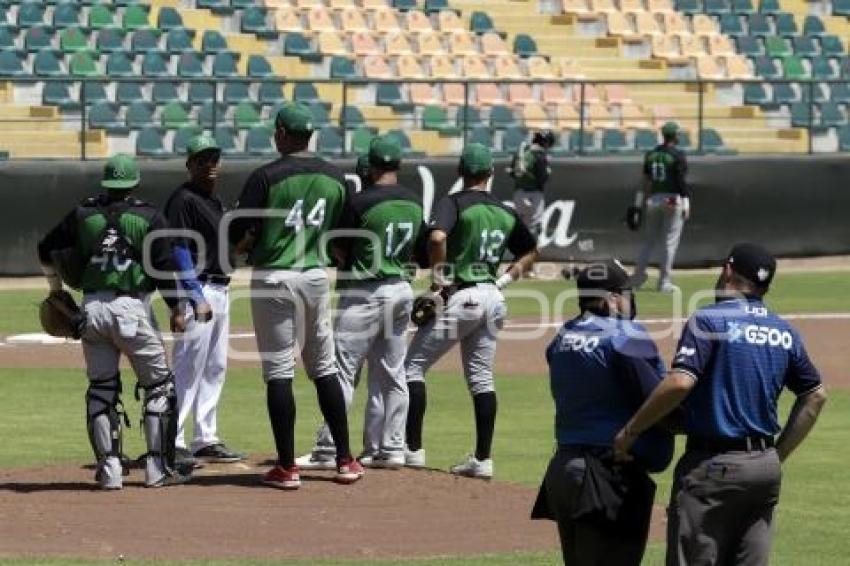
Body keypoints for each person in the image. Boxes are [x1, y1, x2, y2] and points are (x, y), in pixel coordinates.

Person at [614, 243, 827, 566]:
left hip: (712, 467)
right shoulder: (785, 331)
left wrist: (631, 430)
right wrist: (775, 455)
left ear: (728, 270)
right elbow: (815, 396)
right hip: (763, 469)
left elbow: (680, 382)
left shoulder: (709, 321)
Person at [228, 102, 364, 490]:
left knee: (279, 372)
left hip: (275, 275)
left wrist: (238, 251)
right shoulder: (336, 177)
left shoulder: (266, 176)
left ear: (282, 134)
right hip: (315, 274)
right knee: (323, 368)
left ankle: (287, 467)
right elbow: (344, 230)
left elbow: (243, 229)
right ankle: (345, 459)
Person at [37, 153, 189, 489]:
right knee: (159, 387)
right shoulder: (149, 215)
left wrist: (56, 290)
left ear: (106, 182)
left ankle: (109, 472)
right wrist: (177, 307)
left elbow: (45, 247)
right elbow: (164, 268)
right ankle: (156, 468)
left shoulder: (83, 213)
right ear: (135, 182)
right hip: (132, 309)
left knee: (101, 389)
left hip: (91, 310)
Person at [404, 143, 539, 479]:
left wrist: (438, 282)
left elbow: (436, 238)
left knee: (412, 369)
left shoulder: (453, 202)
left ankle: (413, 450)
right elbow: (532, 251)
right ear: (491, 174)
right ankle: (482, 458)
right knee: (481, 379)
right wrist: (504, 281)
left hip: (461, 295)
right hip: (493, 296)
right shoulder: (504, 210)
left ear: (460, 172)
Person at [533, 258, 674, 565]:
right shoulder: (625, 336)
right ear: (611, 298)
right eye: (625, 293)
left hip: (565, 469)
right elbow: (663, 402)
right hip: (606, 476)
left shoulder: (563, 337)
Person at [297, 135, 426, 470]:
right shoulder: (414, 202)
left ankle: (328, 448)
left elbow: (337, 247)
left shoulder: (359, 202)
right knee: (393, 372)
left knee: (341, 369)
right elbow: (423, 249)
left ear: (370, 166)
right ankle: (392, 448)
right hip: (400, 287)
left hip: (365, 291)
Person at [164, 134, 244, 467]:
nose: (209, 164)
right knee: (188, 366)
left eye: (213, 157)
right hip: (198, 290)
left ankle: (205, 437)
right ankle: (173, 438)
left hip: (221, 289)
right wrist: (193, 296)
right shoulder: (183, 199)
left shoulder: (214, 201)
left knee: (215, 366)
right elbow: (180, 250)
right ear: (189, 165)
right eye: (202, 159)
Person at [630, 122, 690, 293]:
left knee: (647, 241)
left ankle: (637, 278)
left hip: (653, 199)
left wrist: (637, 204)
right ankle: (664, 282)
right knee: (669, 242)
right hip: (671, 199)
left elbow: (644, 182)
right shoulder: (677, 155)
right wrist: (686, 201)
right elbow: (680, 181)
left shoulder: (651, 154)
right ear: (675, 136)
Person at [510, 130, 554, 278]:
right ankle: (527, 267)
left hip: (519, 194)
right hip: (534, 194)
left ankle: (517, 262)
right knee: (533, 229)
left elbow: (513, 172)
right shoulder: (540, 155)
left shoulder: (522, 152)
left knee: (521, 228)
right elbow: (542, 178)